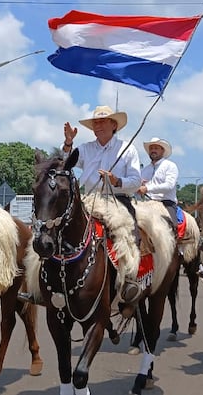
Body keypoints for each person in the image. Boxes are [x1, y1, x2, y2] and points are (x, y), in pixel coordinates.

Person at [63, 105, 143, 304]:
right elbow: (66, 162)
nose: (97, 126)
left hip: (117, 200)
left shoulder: (127, 148)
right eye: (95, 123)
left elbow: (136, 181)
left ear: (113, 125)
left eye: (102, 121)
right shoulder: (85, 148)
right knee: (60, 226)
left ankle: (129, 279)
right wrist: (68, 143)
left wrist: (116, 181)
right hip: (89, 199)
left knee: (128, 233)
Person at [136, 137, 179, 226]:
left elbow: (169, 185)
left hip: (166, 203)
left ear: (162, 151)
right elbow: (138, 190)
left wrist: (147, 188)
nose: (153, 150)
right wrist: (137, 188)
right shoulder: (144, 170)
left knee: (172, 228)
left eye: (156, 148)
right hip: (146, 204)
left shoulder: (170, 166)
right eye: (151, 148)